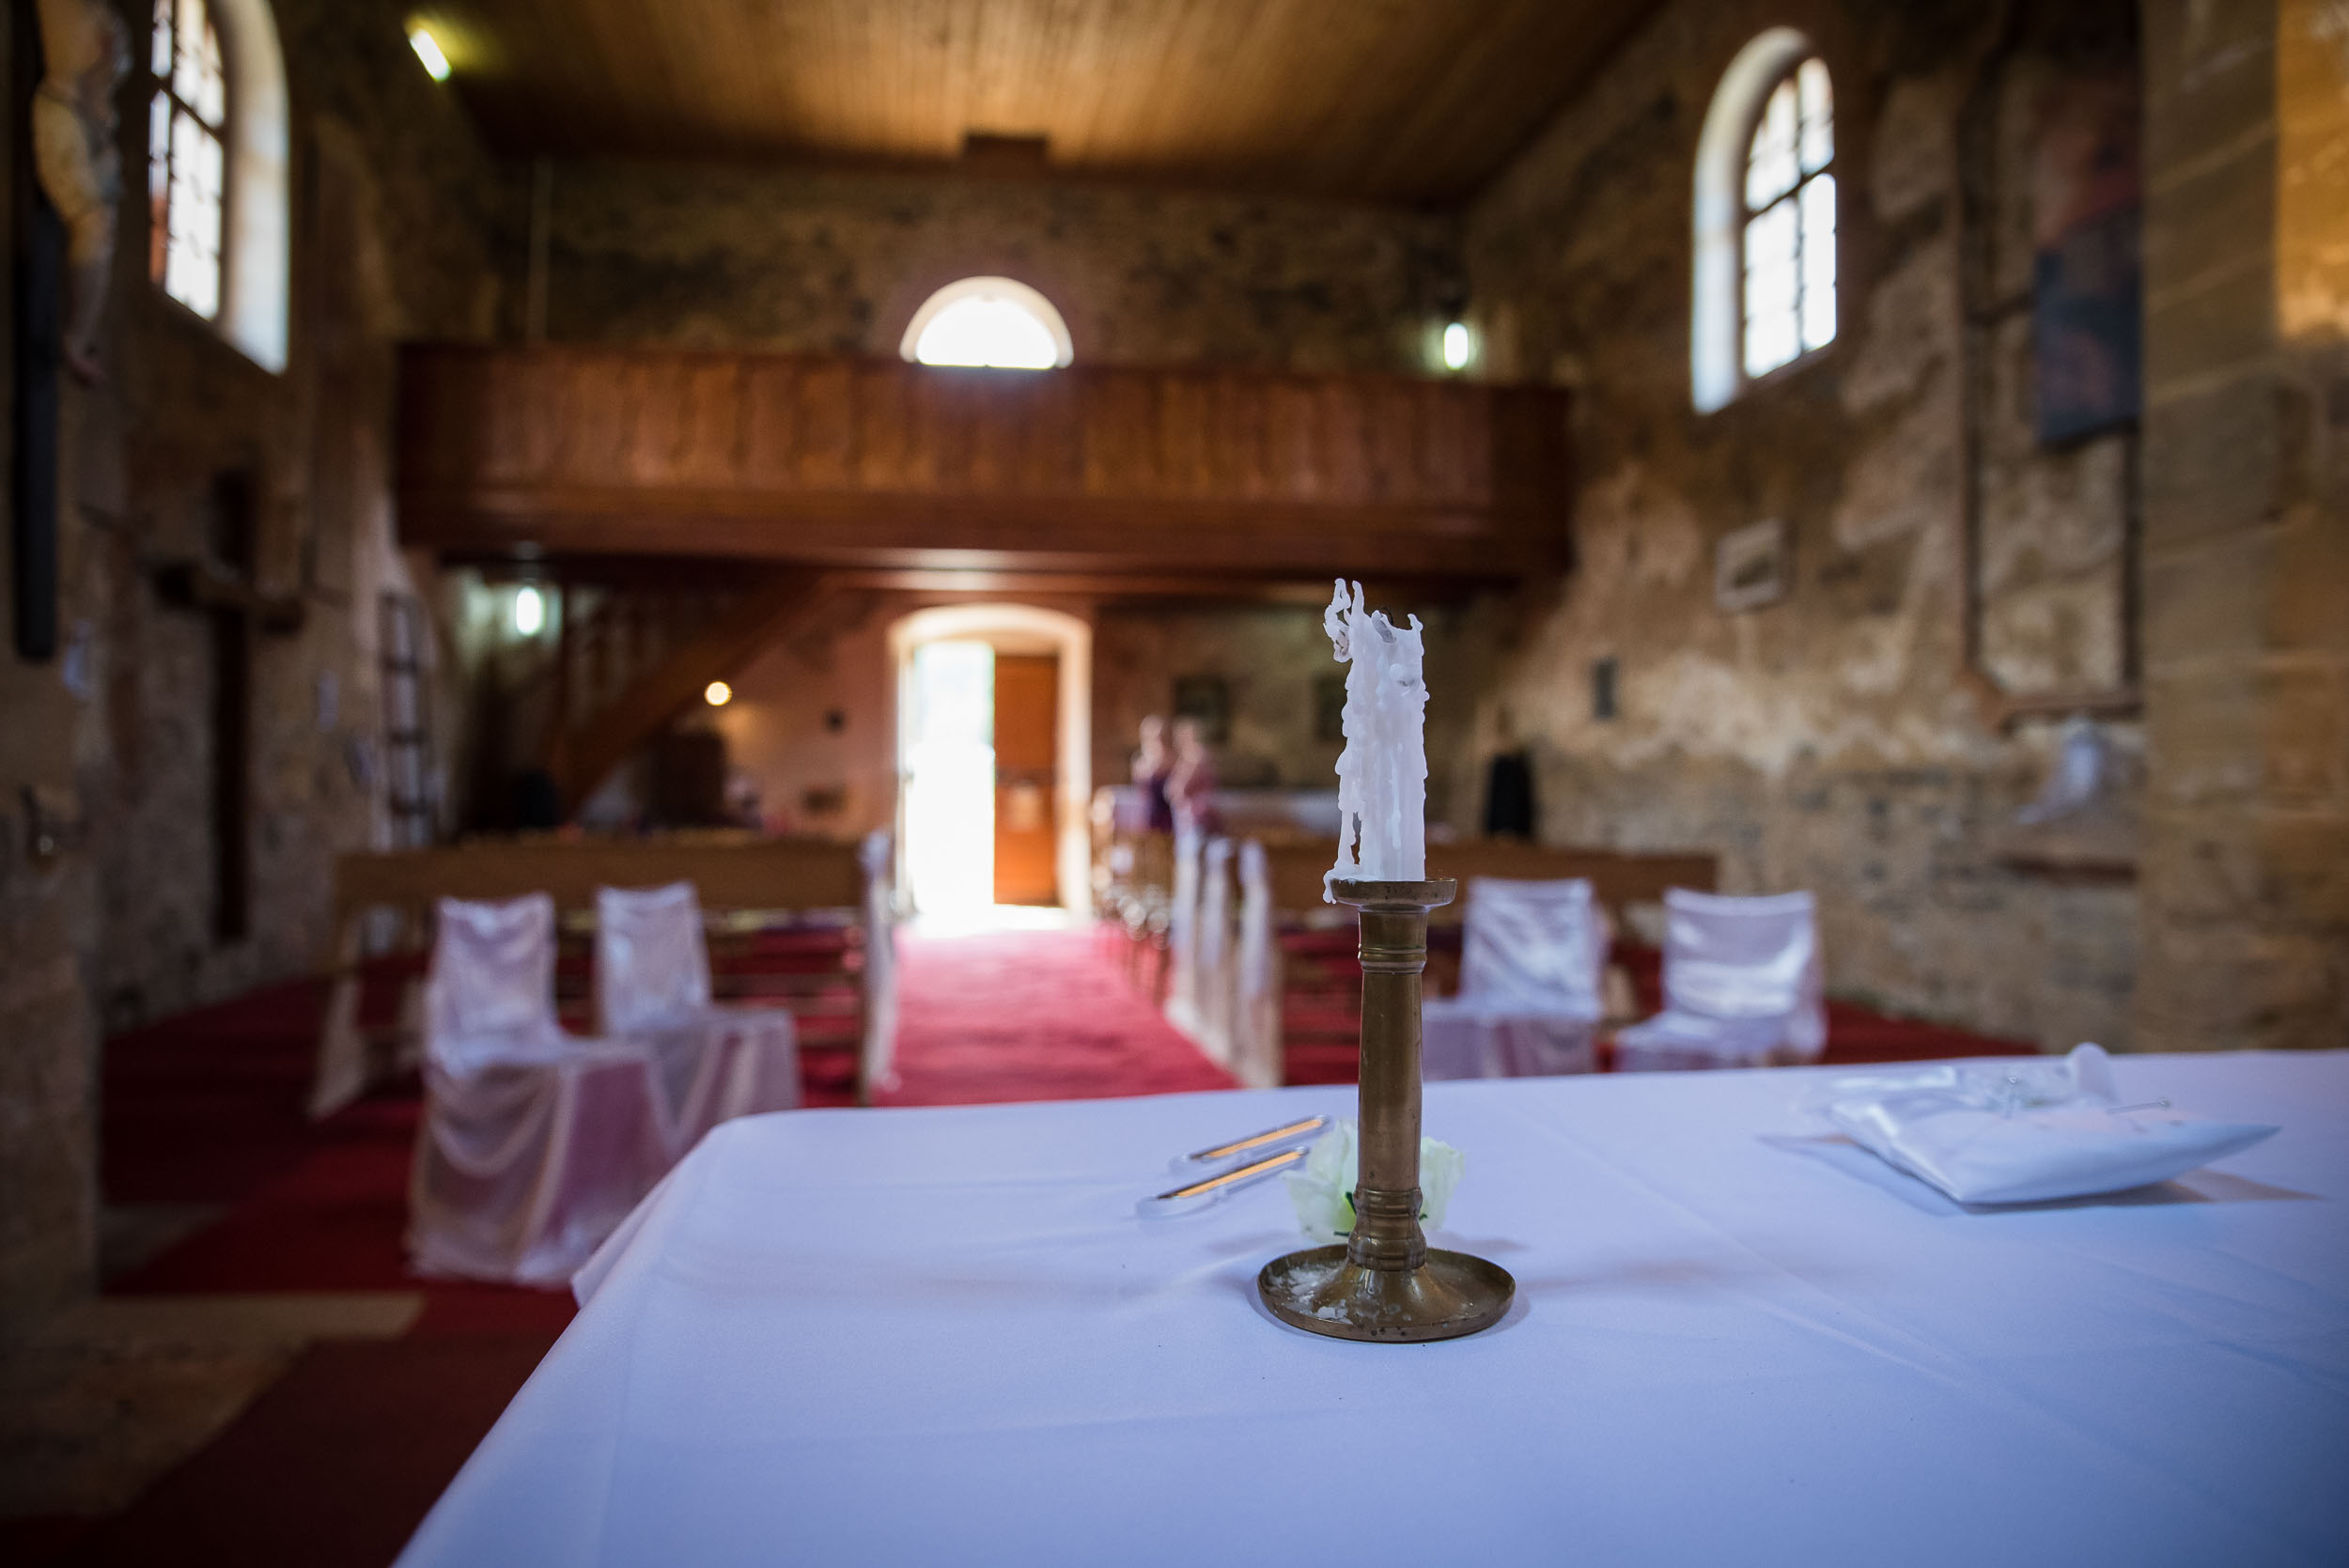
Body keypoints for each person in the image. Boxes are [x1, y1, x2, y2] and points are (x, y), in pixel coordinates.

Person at [1169, 716, 1219, 834]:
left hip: (1195, 815)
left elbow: (1182, 789)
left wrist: (1173, 790)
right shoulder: (1189, 756)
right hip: (1191, 814)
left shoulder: (1195, 756)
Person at [1133, 715, 1174, 833]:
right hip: (1148, 811)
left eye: (1160, 736)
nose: (1157, 740)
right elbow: (1140, 787)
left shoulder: (1171, 758)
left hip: (1167, 811)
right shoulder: (1140, 760)